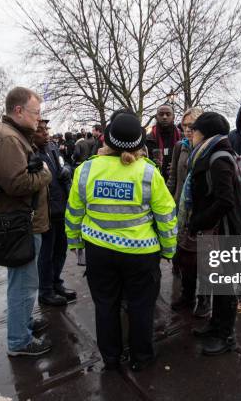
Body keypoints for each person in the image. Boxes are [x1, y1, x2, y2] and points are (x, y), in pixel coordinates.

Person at [65, 112, 177, 372]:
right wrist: (169, 249)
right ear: (139, 143)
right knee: (141, 308)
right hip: (141, 255)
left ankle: (111, 359)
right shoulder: (148, 173)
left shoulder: (86, 170)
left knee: (105, 306)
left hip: (99, 252)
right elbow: (166, 216)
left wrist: (75, 243)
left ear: (107, 139)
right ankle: (142, 357)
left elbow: (74, 212)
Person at [0, 86, 53, 357]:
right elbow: (17, 184)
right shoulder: (8, 139)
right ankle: (19, 341)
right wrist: (45, 174)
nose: (39, 118)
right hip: (18, 224)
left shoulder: (13, 136)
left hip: (23, 223)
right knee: (23, 284)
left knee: (25, 282)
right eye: (36, 112)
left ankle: (23, 325)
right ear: (18, 110)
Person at [180, 112, 238, 356]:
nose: (191, 134)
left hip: (223, 230)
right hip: (213, 229)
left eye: (195, 130)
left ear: (205, 133)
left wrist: (197, 222)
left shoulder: (218, 158)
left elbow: (226, 200)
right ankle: (216, 326)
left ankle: (226, 335)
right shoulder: (207, 154)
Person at [167, 107, 211, 318]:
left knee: (204, 258)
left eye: (191, 126)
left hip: (203, 211)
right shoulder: (180, 147)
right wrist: (169, 201)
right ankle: (187, 296)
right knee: (185, 256)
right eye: (184, 125)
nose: (186, 130)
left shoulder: (208, 148)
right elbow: (174, 177)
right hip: (181, 209)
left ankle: (204, 299)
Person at [33, 119, 77, 306]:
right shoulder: (31, 152)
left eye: (46, 130)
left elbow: (64, 163)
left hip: (61, 206)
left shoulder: (51, 147)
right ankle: (46, 291)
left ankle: (56, 282)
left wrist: (67, 169)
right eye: (41, 131)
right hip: (46, 210)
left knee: (61, 249)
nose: (46, 133)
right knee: (47, 253)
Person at [146, 104, 182, 179]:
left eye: (168, 114)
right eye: (161, 114)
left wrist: (177, 165)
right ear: (156, 117)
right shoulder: (147, 139)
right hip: (154, 178)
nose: (164, 117)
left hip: (176, 180)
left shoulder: (183, 138)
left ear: (173, 117)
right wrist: (152, 163)